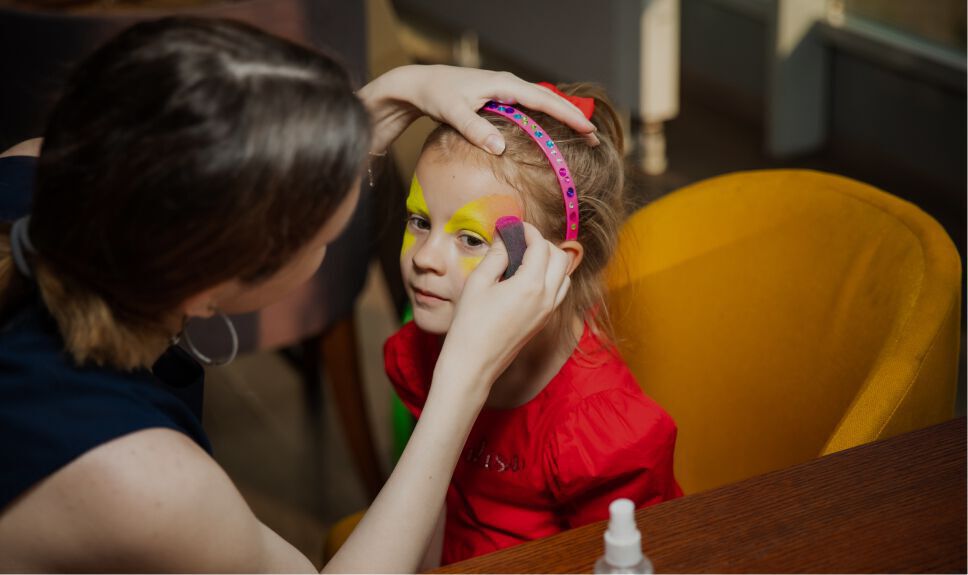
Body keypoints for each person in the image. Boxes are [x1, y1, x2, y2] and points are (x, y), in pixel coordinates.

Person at [0, 16, 600, 572]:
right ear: (210, 291)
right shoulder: (144, 483)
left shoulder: (35, 172)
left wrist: (393, 92)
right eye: (326, 233)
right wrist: (463, 380)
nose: (424, 256)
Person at [385, 83, 682, 567]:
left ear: (555, 265)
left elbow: (628, 559)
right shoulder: (421, 353)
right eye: (420, 221)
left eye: (470, 239)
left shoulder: (599, 437)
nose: (424, 257)